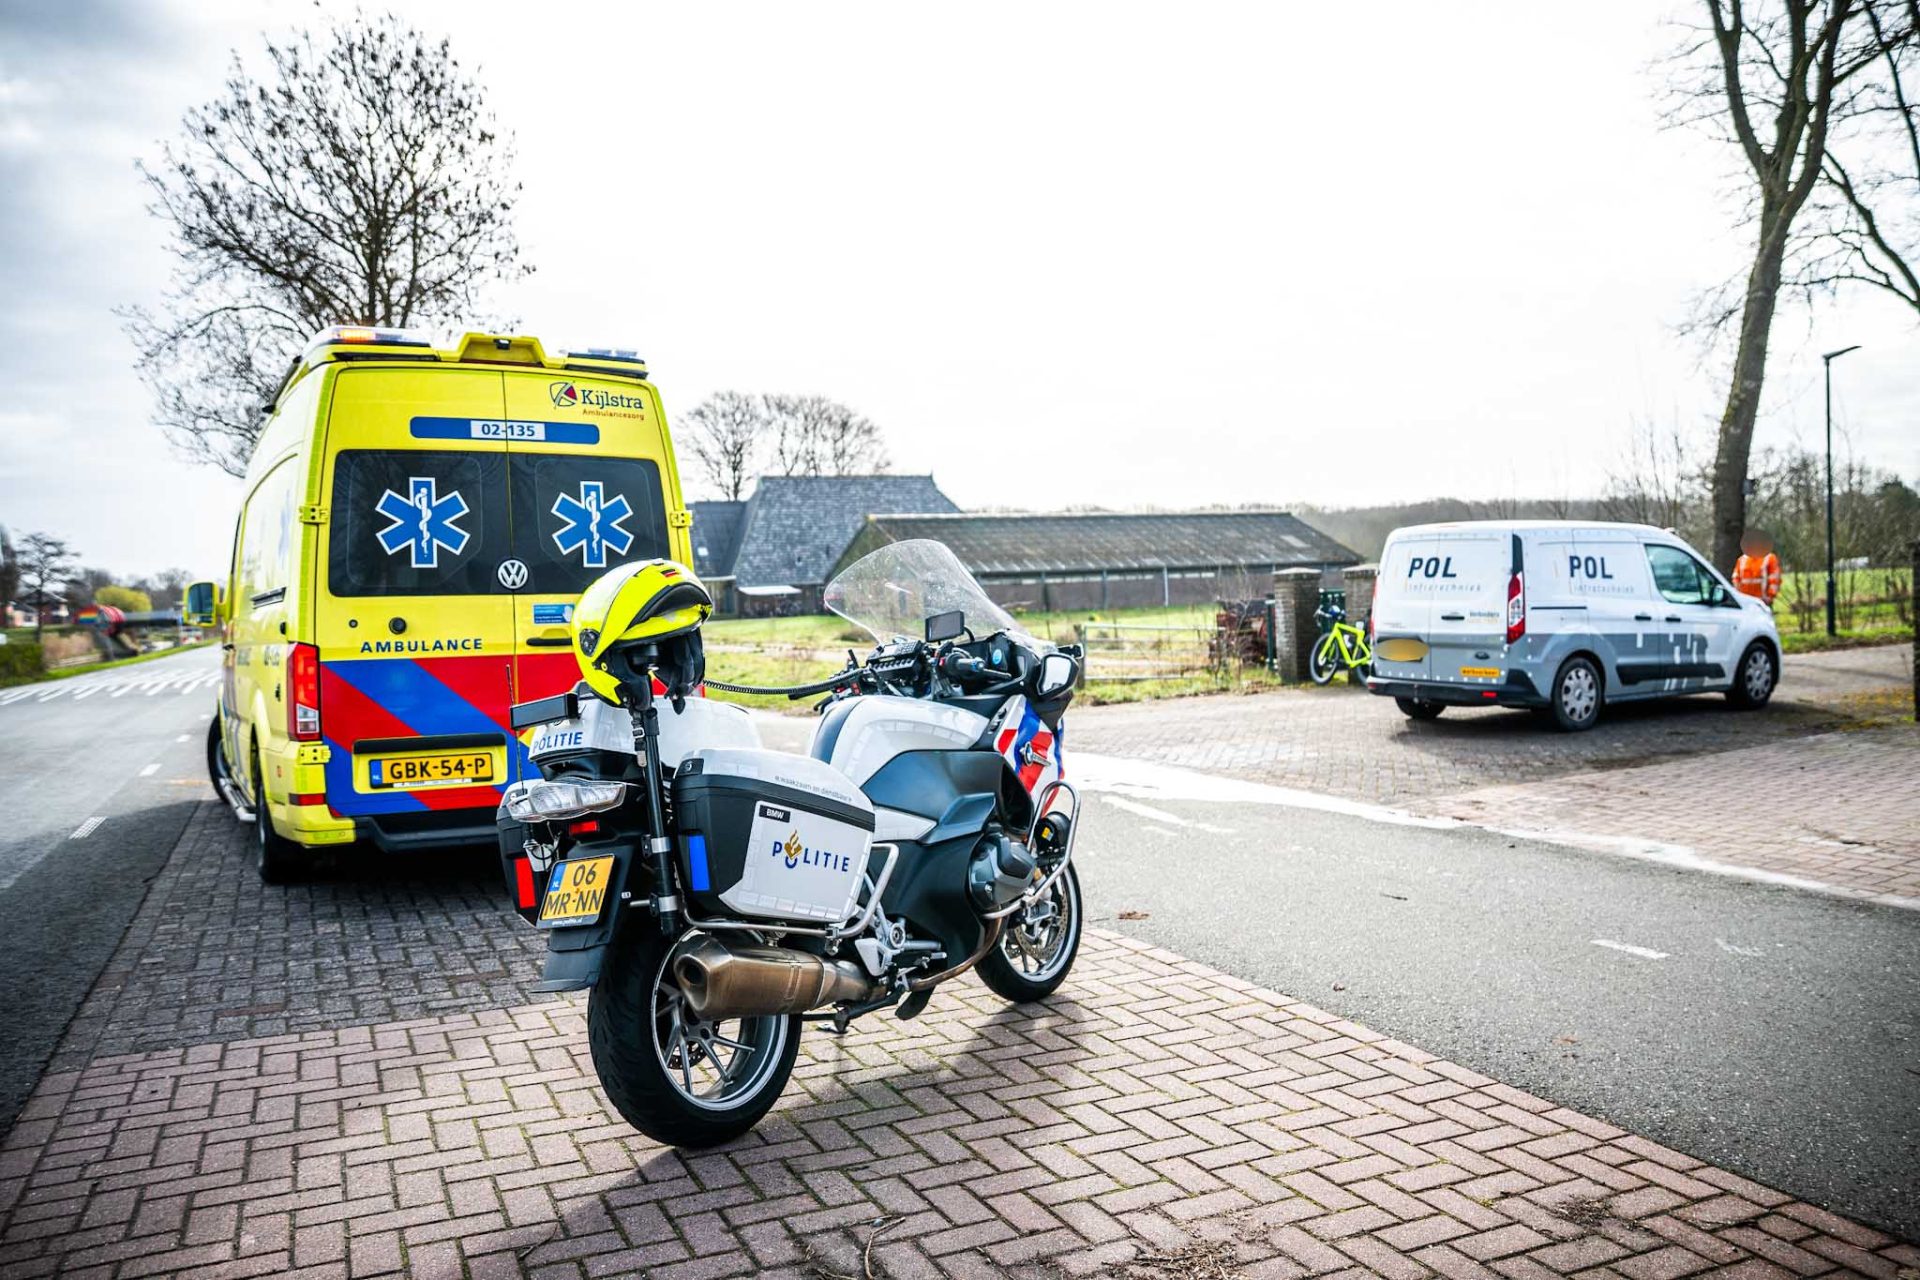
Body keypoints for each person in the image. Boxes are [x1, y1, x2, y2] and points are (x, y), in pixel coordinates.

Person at [1732, 530, 1782, 607]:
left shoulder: (1770, 558)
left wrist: (1770, 597)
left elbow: (1775, 580)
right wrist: (1738, 596)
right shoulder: (1742, 559)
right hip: (1745, 602)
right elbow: (1736, 579)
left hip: (1763, 601)